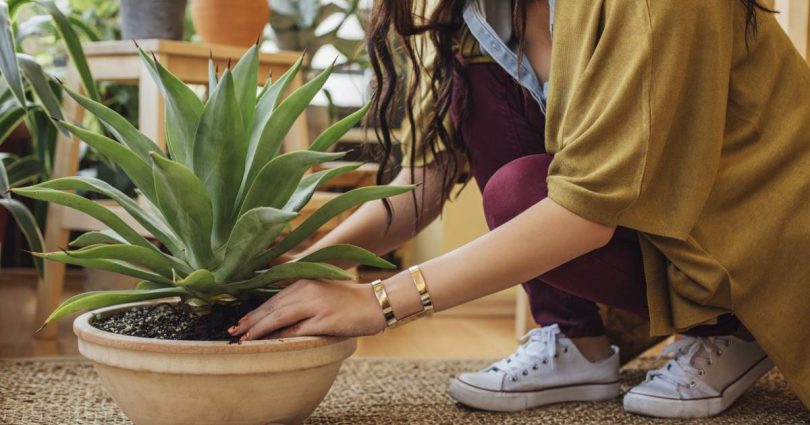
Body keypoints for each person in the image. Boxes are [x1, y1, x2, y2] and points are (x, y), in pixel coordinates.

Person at [228, 0, 810, 418]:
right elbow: (426, 179)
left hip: (766, 239)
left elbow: (587, 210)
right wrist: (310, 264)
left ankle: (732, 327)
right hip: (662, 230)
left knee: (518, 193)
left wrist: (378, 302)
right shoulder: (483, 15)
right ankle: (574, 341)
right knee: (510, 164)